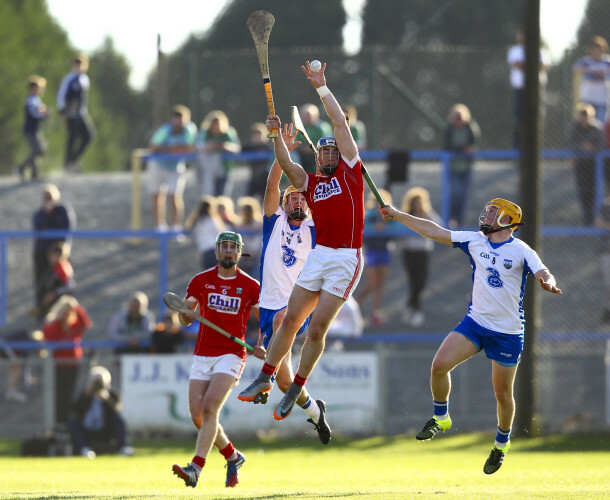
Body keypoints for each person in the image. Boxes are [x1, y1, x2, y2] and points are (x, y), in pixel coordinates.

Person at [379, 198, 562, 474]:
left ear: (506, 220)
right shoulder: (475, 240)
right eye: (487, 212)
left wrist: (548, 281)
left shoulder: (521, 249)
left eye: (492, 213)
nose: (486, 216)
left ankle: (501, 444)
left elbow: (543, 270)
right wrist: (398, 215)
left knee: (502, 394)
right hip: (475, 323)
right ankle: (441, 417)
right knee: (439, 366)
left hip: (507, 333)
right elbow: (434, 230)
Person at [238, 60, 366, 424]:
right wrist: (275, 136)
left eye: (332, 151)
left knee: (316, 328)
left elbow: (340, 124)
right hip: (321, 256)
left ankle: (298, 386)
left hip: (346, 258)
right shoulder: (309, 183)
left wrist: (321, 87)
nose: (327, 155)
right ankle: (265, 378)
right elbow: (285, 163)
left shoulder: (351, 172)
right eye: (322, 152)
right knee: (290, 320)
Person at [254, 122, 330, 443]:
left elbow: (326, 196)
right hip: (268, 307)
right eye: (292, 199)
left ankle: (264, 379)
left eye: (302, 200)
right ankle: (316, 412)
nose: (297, 203)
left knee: (286, 321)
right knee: (288, 383)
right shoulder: (273, 222)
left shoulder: (313, 227)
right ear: (284, 205)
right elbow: (273, 186)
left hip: (296, 305)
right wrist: (280, 149)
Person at [172, 231, 261, 489]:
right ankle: (233, 456)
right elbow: (185, 313)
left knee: (211, 408)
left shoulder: (250, 286)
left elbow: (264, 322)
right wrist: (185, 317)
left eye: (234, 247)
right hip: (203, 353)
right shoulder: (201, 281)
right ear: (217, 251)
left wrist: (262, 344)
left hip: (231, 354)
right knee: (198, 416)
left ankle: (195, 468)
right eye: (224, 247)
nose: (229, 251)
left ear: (240, 253)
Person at [42, 295, 93, 426]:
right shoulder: (54, 324)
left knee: (69, 392)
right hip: (58, 364)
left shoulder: (74, 325)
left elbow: (85, 323)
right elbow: (48, 336)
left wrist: (75, 306)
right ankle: (57, 420)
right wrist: (59, 318)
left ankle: (66, 420)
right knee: (58, 393)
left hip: (72, 364)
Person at [396, 187, 442, 327]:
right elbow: (399, 231)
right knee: (413, 281)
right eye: (416, 202)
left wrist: (426, 215)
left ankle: (410, 305)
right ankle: (416, 310)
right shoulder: (407, 215)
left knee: (421, 282)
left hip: (423, 252)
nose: (418, 205)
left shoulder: (427, 215)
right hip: (409, 252)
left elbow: (439, 225)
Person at [67, 365, 134, 458]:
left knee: (119, 420)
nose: (98, 385)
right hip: (87, 428)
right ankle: (84, 449)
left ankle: (124, 447)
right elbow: (75, 410)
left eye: (101, 382)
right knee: (73, 422)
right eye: (96, 382)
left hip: (104, 428)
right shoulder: (85, 394)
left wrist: (105, 399)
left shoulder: (113, 394)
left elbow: (116, 411)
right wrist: (86, 396)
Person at [148, 104, 197, 233]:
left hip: (175, 166)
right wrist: (172, 150)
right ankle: (159, 227)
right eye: (176, 118)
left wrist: (171, 150)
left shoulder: (189, 130)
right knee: (156, 195)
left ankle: (176, 227)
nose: (178, 121)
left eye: (181, 118)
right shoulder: (165, 130)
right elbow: (153, 146)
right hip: (158, 165)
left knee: (174, 195)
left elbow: (190, 148)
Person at [32, 184, 76, 322]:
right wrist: (47, 213)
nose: (47, 200)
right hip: (42, 253)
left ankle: (64, 312)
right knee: (42, 282)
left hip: (59, 253)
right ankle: (42, 311)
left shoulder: (63, 210)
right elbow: (38, 227)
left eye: (50, 197)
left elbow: (67, 228)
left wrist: (59, 251)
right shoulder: (40, 214)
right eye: (45, 197)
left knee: (61, 282)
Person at [507, 31, 551, 148]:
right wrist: (532, 65)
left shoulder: (541, 50)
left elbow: (543, 66)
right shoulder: (514, 50)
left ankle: (536, 148)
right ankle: (518, 149)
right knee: (519, 120)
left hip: (536, 91)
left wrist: (526, 65)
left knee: (537, 119)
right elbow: (516, 64)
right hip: (520, 90)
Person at [357, 189, 394, 326]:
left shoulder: (388, 214)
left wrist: (385, 229)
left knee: (379, 284)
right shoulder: (370, 214)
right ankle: (356, 305)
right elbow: (364, 227)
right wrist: (376, 227)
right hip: (371, 250)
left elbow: (395, 228)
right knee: (372, 283)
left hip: (384, 250)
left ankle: (375, 312)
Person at [443, 103, 480, 228]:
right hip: (452, 167)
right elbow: (447, 146)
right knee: (454, 193)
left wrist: (467, 150)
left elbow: (472, 144)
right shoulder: (448, 129)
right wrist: (461, 149)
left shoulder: (470, 128)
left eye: (460, 117)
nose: (458, 120)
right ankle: (450, 218)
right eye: (456, 118)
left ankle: (460, 221)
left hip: (465, 167)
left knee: (463, 195)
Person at [56, 55, 95, 171]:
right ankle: (68, 163)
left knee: (89, 136)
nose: (79, 67)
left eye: (81, 64)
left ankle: (74, 159)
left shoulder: (84, 79)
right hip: (71, 114)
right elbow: (61, 96)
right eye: (77, 65)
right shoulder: (69, 79)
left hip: (82, 113)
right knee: (72, 138)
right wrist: (62, 111)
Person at [569, 102, 605, 226]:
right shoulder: (575, 128)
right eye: (582, 116)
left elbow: (601, 144)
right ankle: (587, 219)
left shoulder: (596, 128)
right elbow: (571, 144)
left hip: (594, 165)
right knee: (583, 191)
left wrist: (592, 147)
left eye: (586, 116)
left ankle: (597, 218)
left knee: (595, 190)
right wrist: (581, 147)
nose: (584, 119)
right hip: (581, 164)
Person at [195, 110, 241, 197]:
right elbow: (199, 146)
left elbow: (236, 148)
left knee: (222, 196)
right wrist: (209, 147)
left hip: (225, 169)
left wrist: (223, 146)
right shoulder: (206, 133)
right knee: (209, 196)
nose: (216, 127)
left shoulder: (227, 133)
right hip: (209, 170)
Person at [15, 75, 49, 182]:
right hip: (30, 130)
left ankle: (34, 173)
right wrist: (43, 114)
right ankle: (21, 167)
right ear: (33, 88)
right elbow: (34, 113)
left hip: (35, 129)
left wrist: (44, 114)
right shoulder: (30, 100)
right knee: (37, 150)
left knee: (38, 150)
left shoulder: (36, 99)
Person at [573, 36, 610, 124]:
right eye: (594, 50)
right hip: (587, 99)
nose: (596, 52)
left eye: (599, 50)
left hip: (601, 100)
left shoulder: (607, 61)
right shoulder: (586, 61)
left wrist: (602, 72)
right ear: (590, 51)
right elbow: (575, 68)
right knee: (585, 124)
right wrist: (591, 70)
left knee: (600, 125)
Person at [34, 241, 75, 320]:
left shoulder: (62, 267)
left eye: (51, 255)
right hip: (57, 303)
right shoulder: (55, 266)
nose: (49, 257)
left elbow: (69, 286)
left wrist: (54, 293)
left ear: (57, 255)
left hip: (62, 304)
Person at [185, 195, 226, 270]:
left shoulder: (196, 221)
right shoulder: (212, 219)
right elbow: (220, 232)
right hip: (215, 251)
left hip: (205, 253)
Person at [294, 103, 333, 174]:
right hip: (300, 154)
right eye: (305, 116)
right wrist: (303, 149)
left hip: (318, 154)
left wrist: (311, 149)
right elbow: (293, 143)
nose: (308, 118)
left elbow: (326, 145)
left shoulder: (323, 127)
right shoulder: (297, 127)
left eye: (309, 115)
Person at [242, 122, 274, 200]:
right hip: (254, 178)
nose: (258, 137)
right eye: (256, 135)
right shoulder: (249, 147)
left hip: (265, 179)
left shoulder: (268, 148)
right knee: (247, 198)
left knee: (265, 200)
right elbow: (239, 150)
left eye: (260, 135)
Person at [234, 196, 264, 280]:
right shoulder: (239, 225)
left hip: (256, 256)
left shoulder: (258, 223)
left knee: (255, 279)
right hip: (243, 256)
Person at [596, 197, 610, 324]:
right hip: (607, 251)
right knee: (608, 283)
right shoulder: (605, 206)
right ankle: (608, 309)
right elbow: (599, 223)